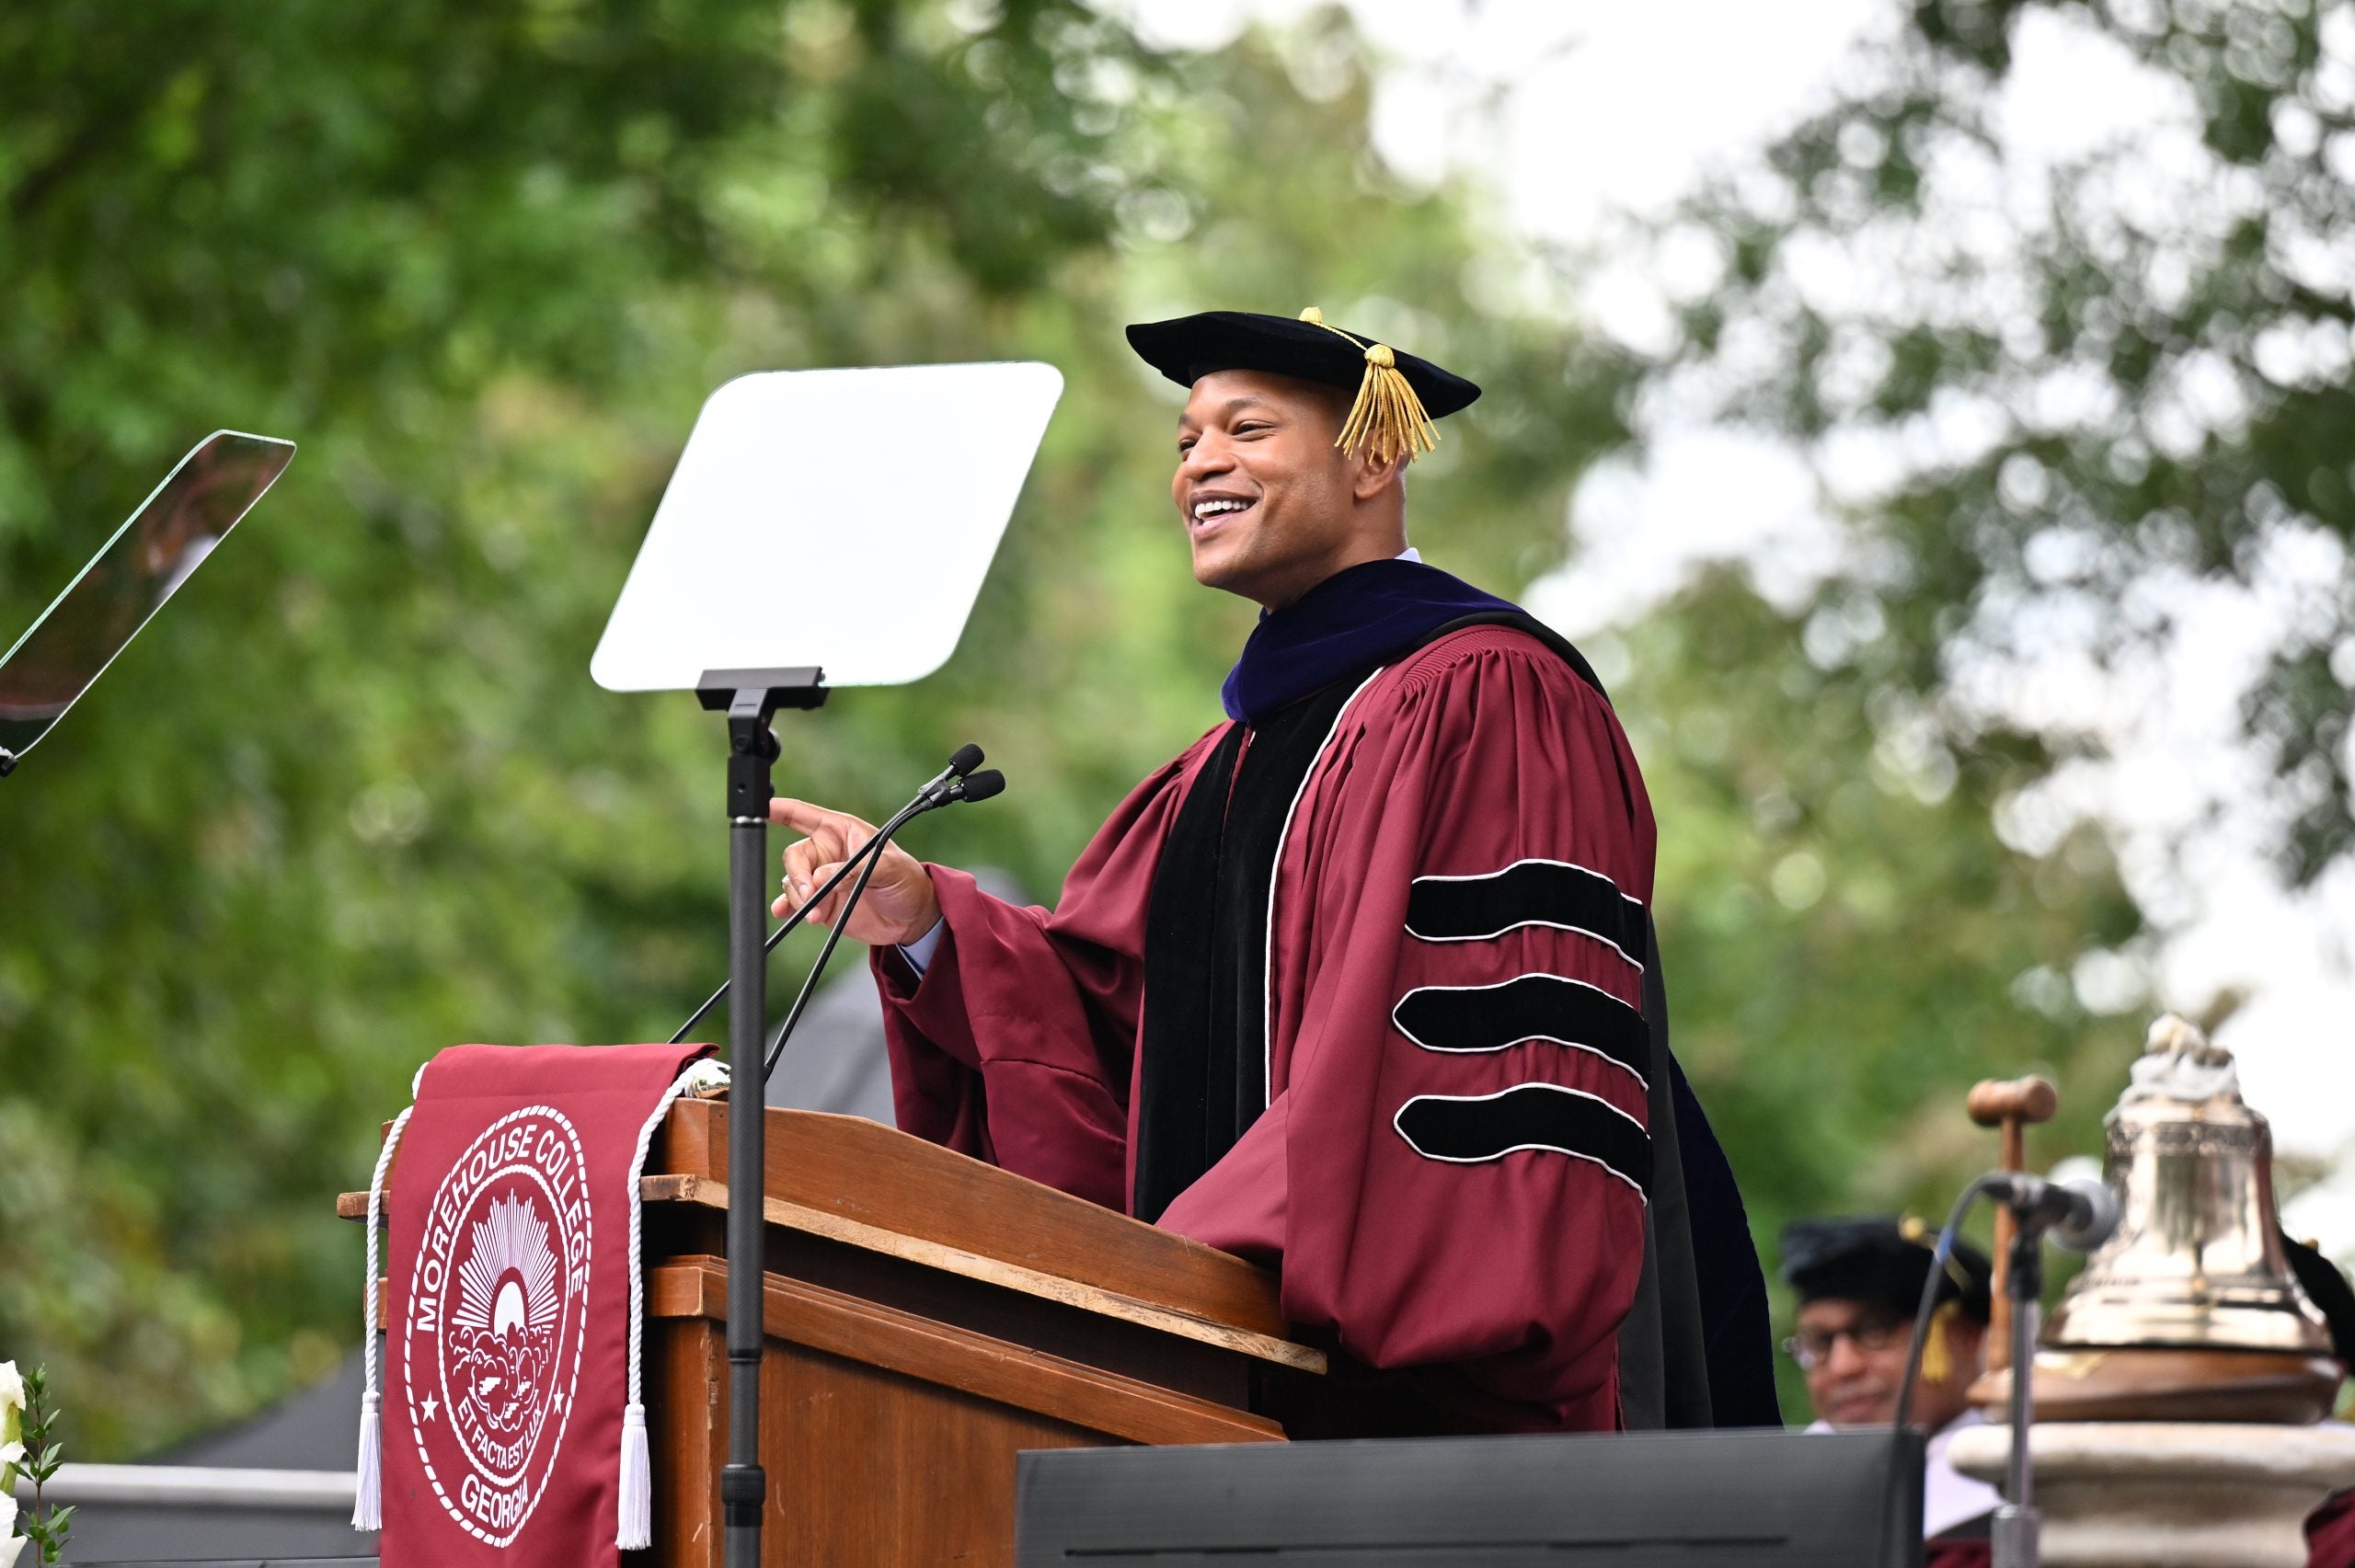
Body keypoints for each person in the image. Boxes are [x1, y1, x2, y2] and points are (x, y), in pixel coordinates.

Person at [773, 306, 1776, 1434]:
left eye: (1245, 428)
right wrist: (929, 927)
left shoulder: (1490, 698)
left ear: (1373, 456)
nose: (1199, 460)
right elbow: (1113, 1036)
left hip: (1428, 1407)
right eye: (1186, 439)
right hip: (1218, 1373)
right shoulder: (1222, 767)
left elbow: (1450, 1068)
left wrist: (1197, 1260)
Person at [1781, 1216, 1999, 1566]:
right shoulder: (1777, 1488)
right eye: (1819, 1342)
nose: (1842, 1367)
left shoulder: (2005, 1498)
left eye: (1875, 1330)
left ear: (1965, 1336)